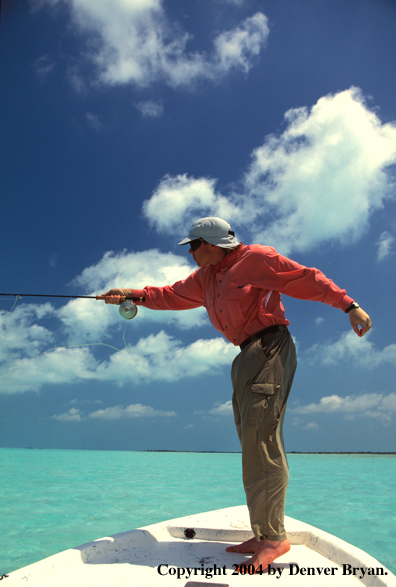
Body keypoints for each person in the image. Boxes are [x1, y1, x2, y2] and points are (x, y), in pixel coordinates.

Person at [103, 216, 371, 572]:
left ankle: (275, 539)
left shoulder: (255, 258)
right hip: (245, 355)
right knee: (250, 441)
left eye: (194, 246)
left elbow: (306, 279)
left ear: (213, 243)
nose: (191, 253)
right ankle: (263, 533)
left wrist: (349, 305)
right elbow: (168, 295)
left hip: (270, 347)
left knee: (262, 439)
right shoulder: (205, 278)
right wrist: (131, 294)